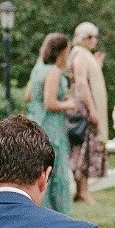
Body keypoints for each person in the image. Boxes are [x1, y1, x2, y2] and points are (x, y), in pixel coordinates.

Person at [25, 33, 74, 215]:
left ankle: (40, 213)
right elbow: (50, 102)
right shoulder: (53, 71)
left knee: (40, 173)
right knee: (56, 173)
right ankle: (59, 215)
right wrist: (69, 103)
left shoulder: (38, 69)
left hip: (37, 123)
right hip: (52, 128)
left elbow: (28, 96)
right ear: (61, 52)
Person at [68, 21, 108, 204]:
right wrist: (92, 109)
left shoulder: (85, 55)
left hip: (86, 107)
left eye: (95, 36)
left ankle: (81, 190)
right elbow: (82, 83)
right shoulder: (80, 55)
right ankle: (82, 190)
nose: (93, 40)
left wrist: (97, 65)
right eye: (89, 36)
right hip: (84, 109)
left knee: (86, 148)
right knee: (83, 149)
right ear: (81, 38)